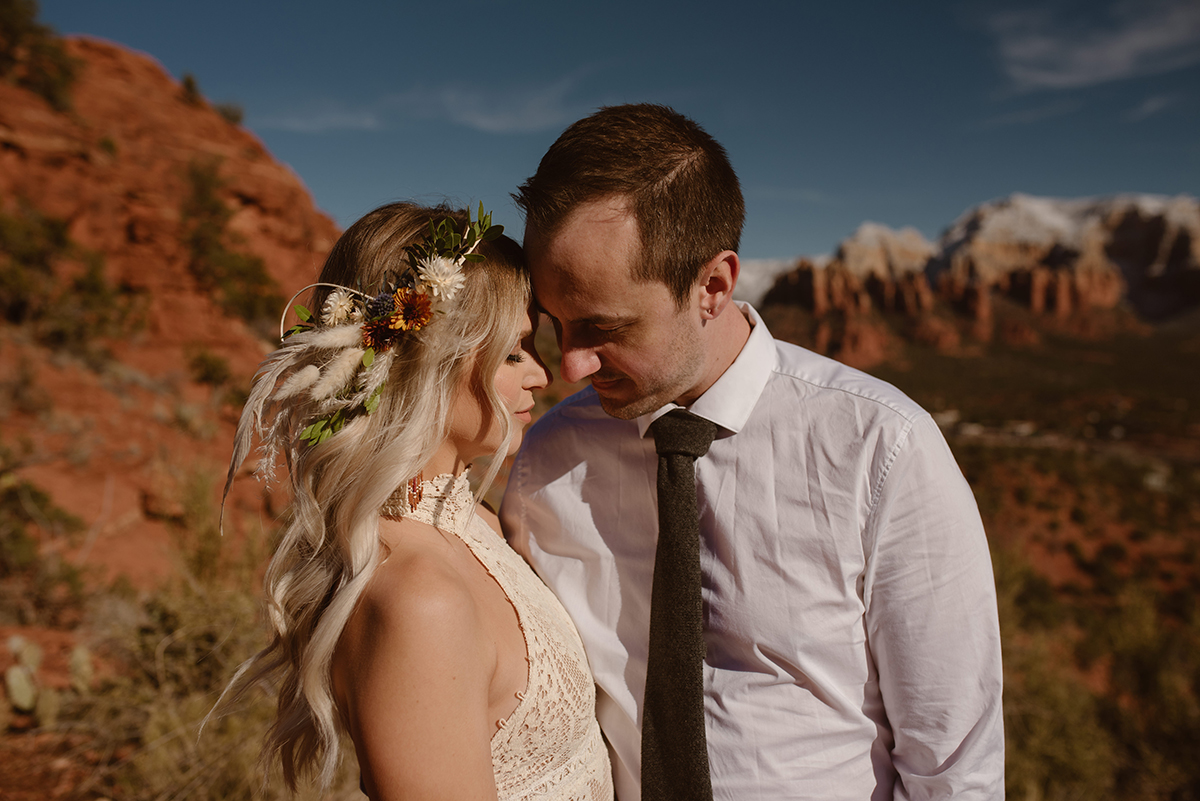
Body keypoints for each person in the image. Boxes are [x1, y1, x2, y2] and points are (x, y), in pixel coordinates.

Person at [500, 104, 1005, 800]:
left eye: (603, 327)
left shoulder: (881, 450)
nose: (570, 365)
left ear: (712, 287)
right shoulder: (548, 460)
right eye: (555, 325)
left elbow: (954, 765)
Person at [219, 202, 614, 800]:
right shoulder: (419, 600)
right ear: (426, 364)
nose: (542, 375)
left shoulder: (475, 521)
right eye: (513, 353)